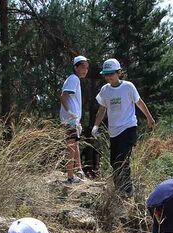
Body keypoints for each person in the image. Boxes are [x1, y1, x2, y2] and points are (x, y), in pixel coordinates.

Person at [92, 58, 155, 197]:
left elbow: (139, 103)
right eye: (106, 74)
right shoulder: (105, 90)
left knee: (122, 159)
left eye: (111, 73)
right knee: (114, 161)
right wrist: (96, 126)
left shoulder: (128, 87)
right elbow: (102, 109)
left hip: (128, 127)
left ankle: (127, 191)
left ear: (119, 72)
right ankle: (119, 190)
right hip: (114, 131)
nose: (109, 77)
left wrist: (149, 118)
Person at [60, 55, 89, 184]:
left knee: (75, 145)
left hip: (73, 120)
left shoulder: (74, 79)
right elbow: (63, 96)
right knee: (71, 146)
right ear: (76, 67)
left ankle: (79, 172)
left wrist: (76, 119)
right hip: (70, 120)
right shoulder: (73, 78)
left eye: (87, 68)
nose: (85, 70)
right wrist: (69, 113)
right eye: (83, 67)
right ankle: (70, 177)